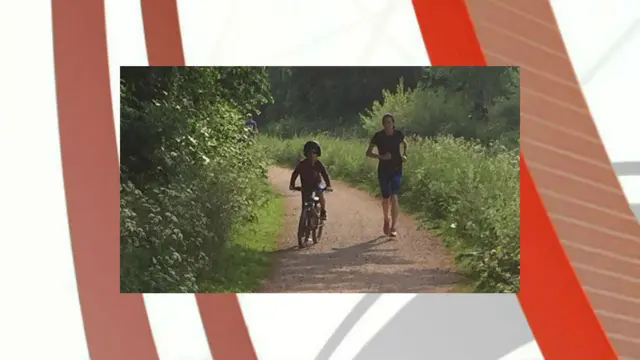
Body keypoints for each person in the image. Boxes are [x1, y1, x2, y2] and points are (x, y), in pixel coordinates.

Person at [365, 113, 408, 237]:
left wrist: (405, 155)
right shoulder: (378, 136)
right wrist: (381, 156)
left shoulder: (398, 134)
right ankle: (386, 219)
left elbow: (405, 143)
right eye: (385, 122)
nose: (388, 125)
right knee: (385, 198)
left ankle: (393, 227)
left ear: (393, 123)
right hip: (383, 170)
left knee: (394, 196)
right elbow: (368, 152)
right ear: (383, 124)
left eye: (390, 122)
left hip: (397, 169)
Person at [289, 140, 333, 220]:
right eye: (309, 153)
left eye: (314, 153)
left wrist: (328, 185)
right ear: (306, 154)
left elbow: (325, 174)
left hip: (317, 184)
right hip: (305, 186)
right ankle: (303, 219)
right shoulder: (302, 164)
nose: (312, 156)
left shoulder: (319, 164)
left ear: (317, 155)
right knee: (304, 204)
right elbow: (295, 174)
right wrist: (292, 185)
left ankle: (323, 211)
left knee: (320, 195)